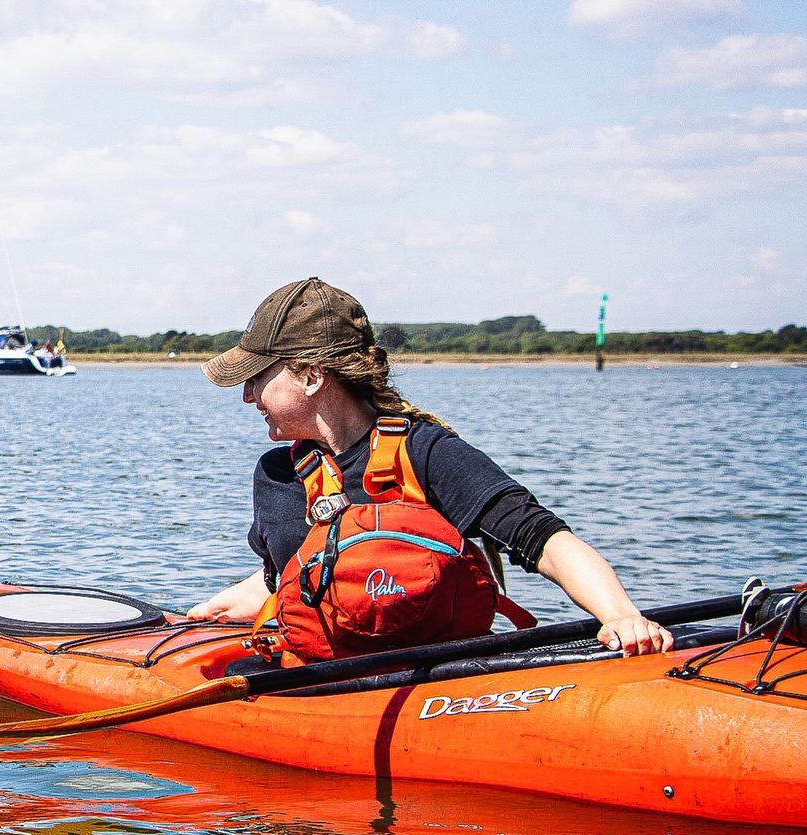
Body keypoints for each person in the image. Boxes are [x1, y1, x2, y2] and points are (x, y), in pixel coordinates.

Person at [187, 277, 672, 657]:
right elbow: (286, 579)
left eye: (257, 378)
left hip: (436, 674)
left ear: (312, 376)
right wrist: (207, 614)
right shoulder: (278, 473)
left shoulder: (427, 452)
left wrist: (621, 615)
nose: (248, 395)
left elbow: (545, 541)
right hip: (319, 673)